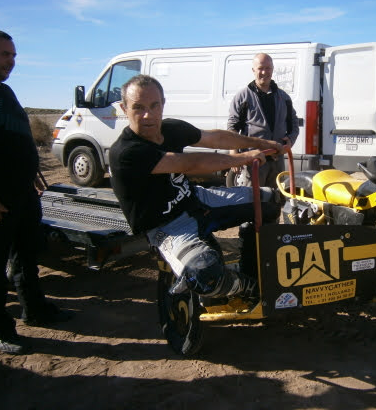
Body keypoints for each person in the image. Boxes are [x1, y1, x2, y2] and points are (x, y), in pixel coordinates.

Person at [109, 75, 283, 302]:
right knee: (204, 276)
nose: (148, 115)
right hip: (167, 227)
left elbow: (215, 138)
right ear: (124, 109)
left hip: (196, 200)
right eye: (138, 108)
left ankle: (252, 267)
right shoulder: (126, 152)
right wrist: (243, 159)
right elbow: (190, 164)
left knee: (271, 201)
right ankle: (246, 287)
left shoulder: (170, 128)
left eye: (154, 106)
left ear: (163, 103)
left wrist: (264, 144)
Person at [0, 29, 71, 355]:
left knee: (27, 255)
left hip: (22, 191)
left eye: (13, 55)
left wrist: (33, 175)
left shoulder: (6, 91)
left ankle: (35, 309)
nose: (11, 62)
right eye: (4, 55)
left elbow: (17, 136)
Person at [227, 53, 299, 188]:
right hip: (253, 161)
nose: (264, 72)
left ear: (273, 69)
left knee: (275, 199)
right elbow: (233, 127)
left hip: (277, 161)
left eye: (268, 68)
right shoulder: (243, 97)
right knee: (253, 201)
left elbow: (294, 124)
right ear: (253, 70)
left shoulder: (284, 97)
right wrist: (234, 155)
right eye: (260, 68)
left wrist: (290, 140)